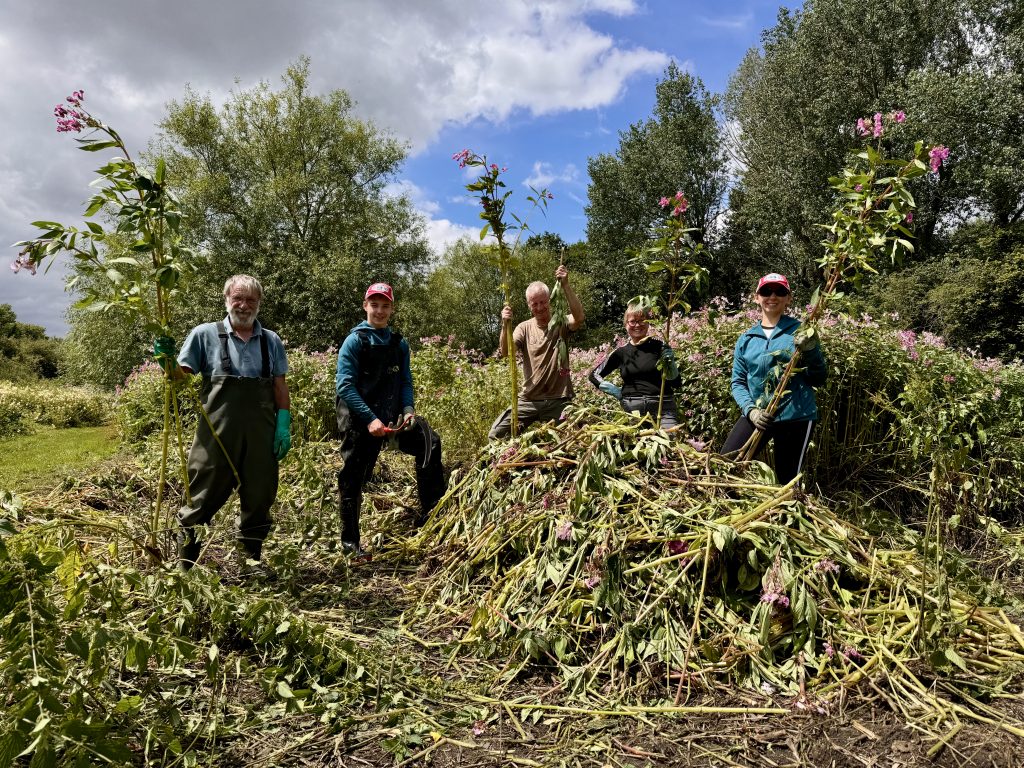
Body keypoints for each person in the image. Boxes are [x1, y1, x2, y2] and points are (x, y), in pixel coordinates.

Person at [164, 274, 291, 578]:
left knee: (259, 498)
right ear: (226, 299)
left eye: (251, 300)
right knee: (201, 498)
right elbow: (182, 377)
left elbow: (279, 385)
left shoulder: (270, 340)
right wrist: (166, 361)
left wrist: (283, 423)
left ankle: (251, 562)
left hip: (261, 434)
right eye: (238, 298)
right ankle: (186, 567)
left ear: (259, 303)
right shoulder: (204, 334)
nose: (244, 305)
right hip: (215, 435)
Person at [335, 282, 445, 558]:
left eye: (385, 306)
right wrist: (370, 420)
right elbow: (345, 387)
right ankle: (351, 544)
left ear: (392, 309)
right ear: (365, 306)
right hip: (361, 419)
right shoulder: (355, 341)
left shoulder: (399, 344)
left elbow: (406, 381)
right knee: (354, 477)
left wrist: (408, 409)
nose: (380, 310)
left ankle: (432, 516)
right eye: (375, 305)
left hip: (392, 418)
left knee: (429, 442)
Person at [721, 273, 827, 485]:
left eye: (780, 292)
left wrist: (812, 349)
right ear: (756, 297)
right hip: (759, 414)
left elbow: (818, 378)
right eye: (766, 291)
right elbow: (738, 382)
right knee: (726, 464)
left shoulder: (801, 331)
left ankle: (790, 514)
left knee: (787, 480)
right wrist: (751, 412)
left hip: (796, 416)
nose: (773, 296)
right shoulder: (747, 339)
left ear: (789, 298)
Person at [488, 264, 585, 439]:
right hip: (529, 399)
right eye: (535, 303)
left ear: (549, 300)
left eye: (543, 302)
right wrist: (505, 324)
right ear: (528, 305)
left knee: (578, 437)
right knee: (496, 435)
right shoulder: (523, 328)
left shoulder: (560, 322)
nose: (539, 307)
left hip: (558, 399)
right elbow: (505, 352)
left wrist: (566, 286)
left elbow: (578, 318)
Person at [589, 305, 680, 429]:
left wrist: (671, 364)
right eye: (633, 321)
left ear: (648, 323)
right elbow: (594, 375)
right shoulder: (620, 353)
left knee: (670, 442)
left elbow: (676, 383)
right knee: (636, 445)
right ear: (626, 324)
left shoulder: (660, 347)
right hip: (633, 411)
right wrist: (616, 391)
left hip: (663, 408)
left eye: (642, 320)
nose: (637, 325)